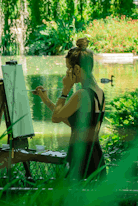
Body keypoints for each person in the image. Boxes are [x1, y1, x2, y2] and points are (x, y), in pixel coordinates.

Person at [33, 38, 106, 181]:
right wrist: (46, 100)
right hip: (96, 156)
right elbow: (68, 119)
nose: (67, 72)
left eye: (68, 68)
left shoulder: (81, 94)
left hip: (82, 158)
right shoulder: (99, 92)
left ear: (77, 69)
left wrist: (65, 90)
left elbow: (55, 119)